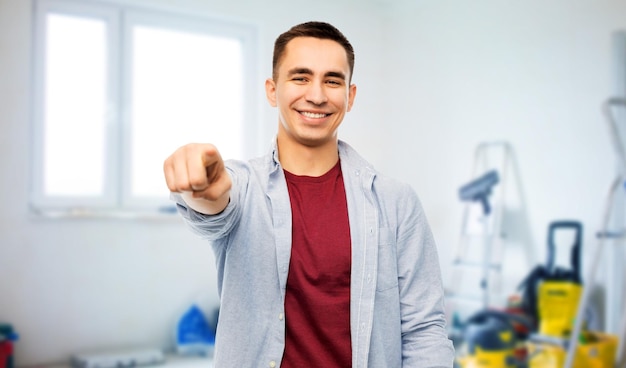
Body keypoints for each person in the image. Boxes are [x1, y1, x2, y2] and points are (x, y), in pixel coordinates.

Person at [163, 21, 454, 367]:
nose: (316, 95)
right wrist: (201, 193)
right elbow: (213, 210)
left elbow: (425, 330)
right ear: (272, 90)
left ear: (351, 96)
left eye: (332, 80)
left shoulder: (396, 202)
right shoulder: (242, 187)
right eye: (300, 77)